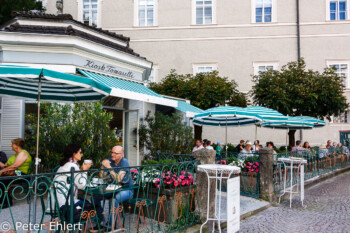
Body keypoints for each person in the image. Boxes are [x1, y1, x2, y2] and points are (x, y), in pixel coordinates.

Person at [93, 146, 134, 227]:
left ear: (121, 155)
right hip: (113, 188)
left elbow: (118, 179)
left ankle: (110, 225)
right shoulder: (110, 161)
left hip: (127, 189)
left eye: (116, 153)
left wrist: (108, 167)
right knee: (95, 197)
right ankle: (100, 220)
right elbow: (102, 176)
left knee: (115, 199)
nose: (112, 155)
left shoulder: (124, 162)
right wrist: (102, 166)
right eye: (112, 152)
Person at [53, 144, 91, 209]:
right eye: (80, 152)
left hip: (55, 202)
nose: (81, 154)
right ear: (74, 153)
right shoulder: (73, 166)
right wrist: (85, 170)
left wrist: (80, 171)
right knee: (91, 206)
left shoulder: (66, 164)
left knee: (85, 201)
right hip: (66, 204)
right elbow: (82, 185)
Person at [0, 138, 32, 209]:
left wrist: (2, 171)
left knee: (4, 180)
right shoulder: (14, 156)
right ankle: (3, 199)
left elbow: (15, 166)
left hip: (22, 173)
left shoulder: (23, 153)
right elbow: (5, 166)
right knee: (2, 179)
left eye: (12, 144)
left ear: (16, 146)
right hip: (15, 172)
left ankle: (7, 202)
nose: (11, 146)